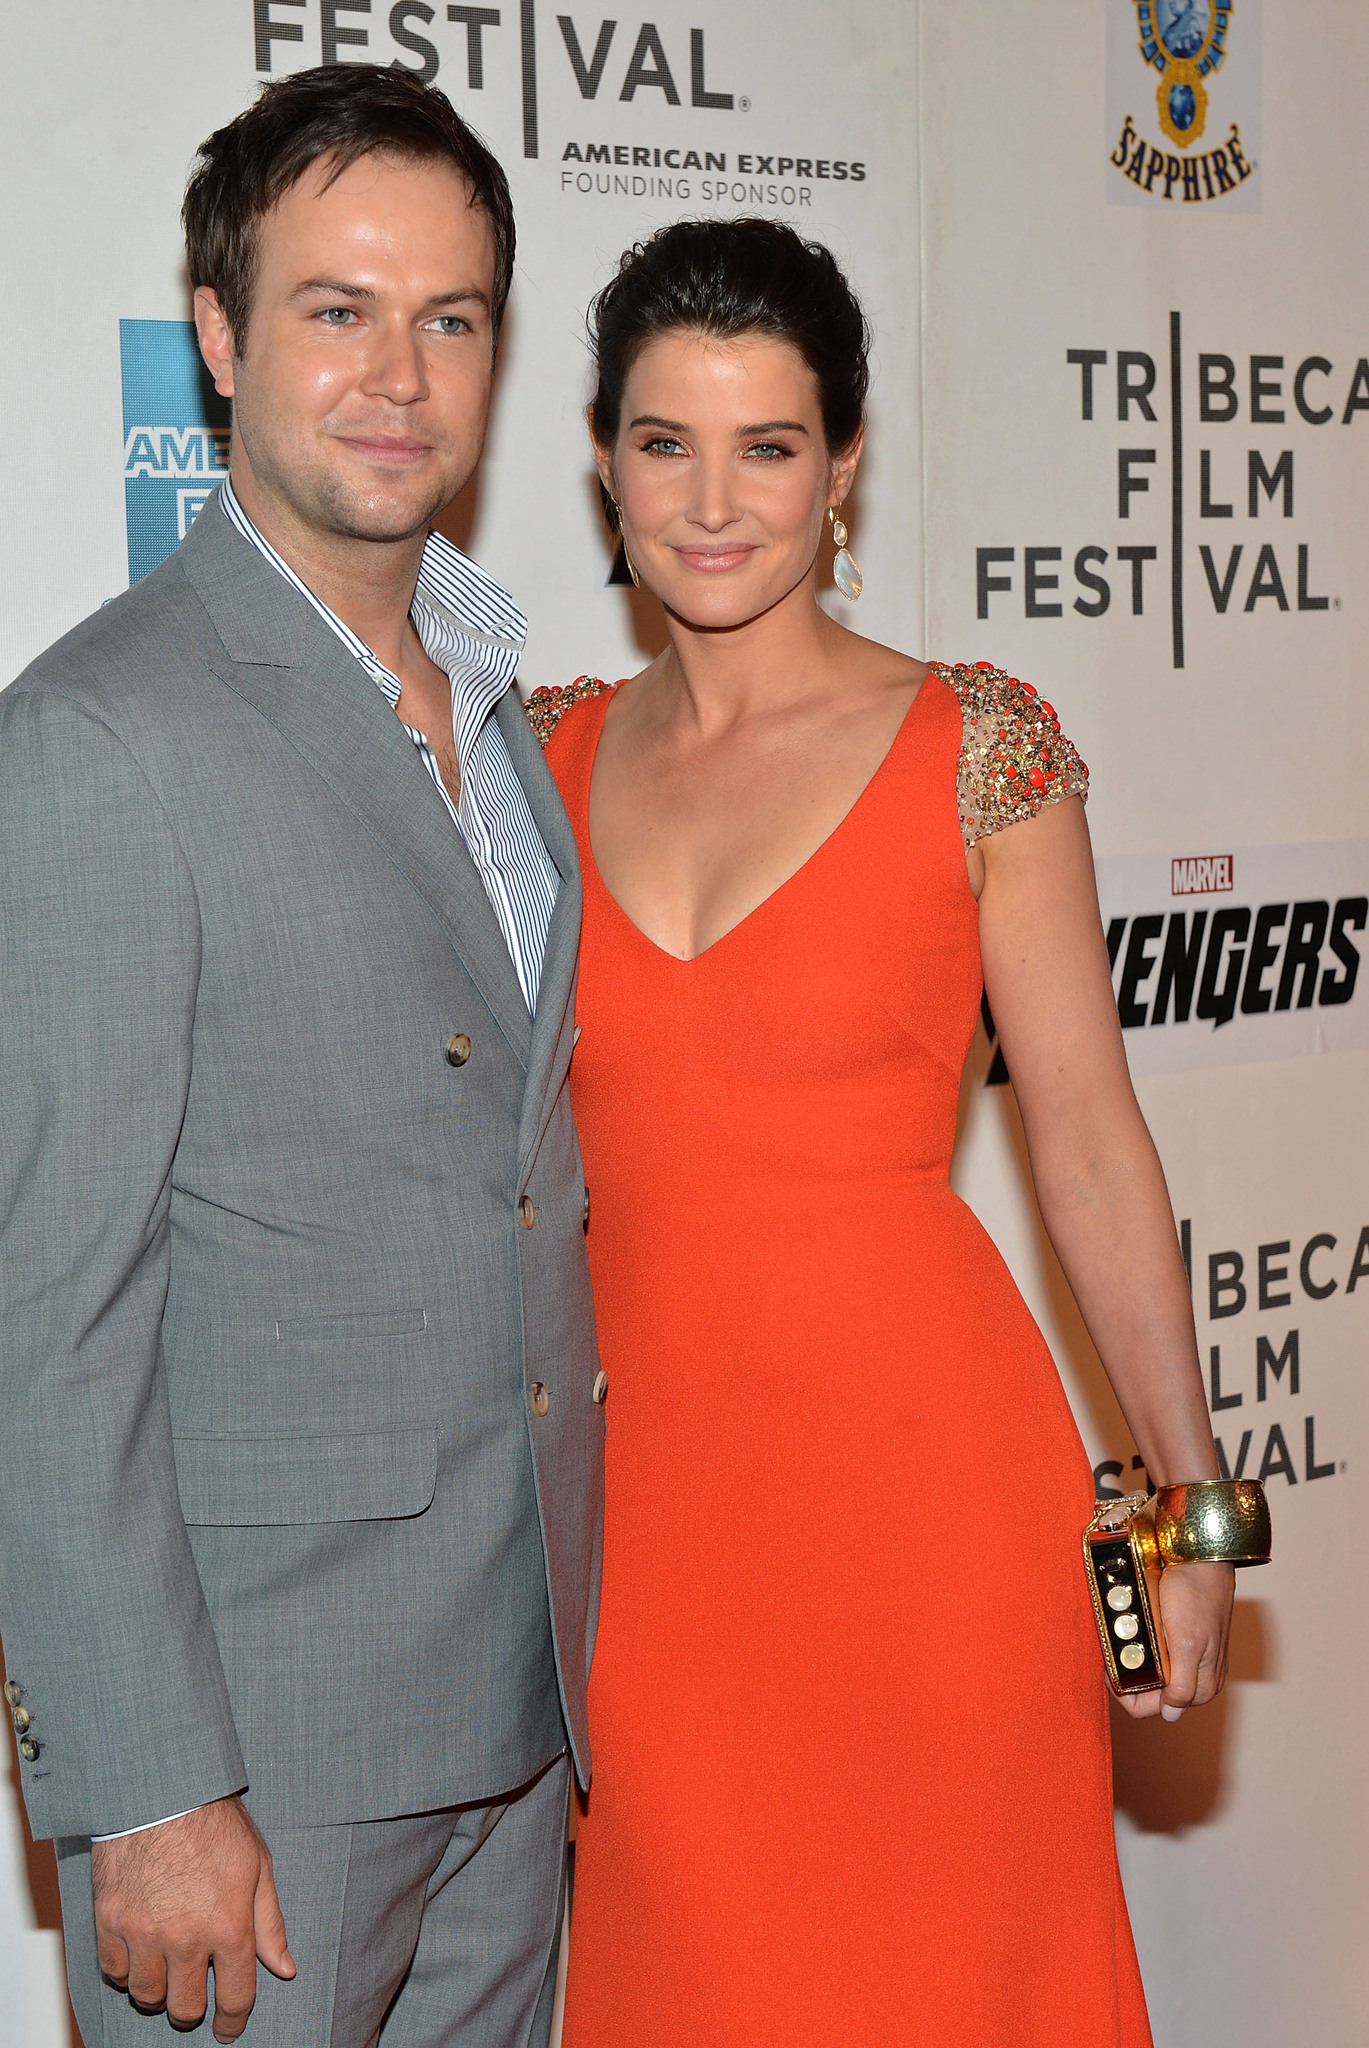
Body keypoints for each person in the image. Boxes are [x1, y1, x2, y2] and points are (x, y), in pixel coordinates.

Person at [528, 218, 1237, 2047]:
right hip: (647, 1553)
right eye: (664, 441)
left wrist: (1193, 1510)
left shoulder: (977, 749)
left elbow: (1085, 1149)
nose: (710, 501)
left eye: (766, 445)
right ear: (602, 462)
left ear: (841, 469)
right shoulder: (537, 763)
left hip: (932, 1522)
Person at [0, 65, 603, 2048]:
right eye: (336, 309)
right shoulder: (100, 741)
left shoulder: (505, 717)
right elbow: (45, 1306)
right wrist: (147, 1782)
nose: (400, 375)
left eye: (450, 317)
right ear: (217, 338)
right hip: (256, 1769)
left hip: (517, 1718)